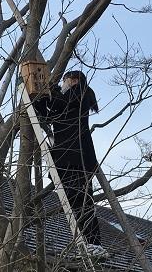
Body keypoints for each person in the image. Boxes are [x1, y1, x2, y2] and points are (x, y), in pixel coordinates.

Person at [35, 70, 108, 258]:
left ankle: (93, 243)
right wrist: (39, 100)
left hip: (76, 158)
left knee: (82, 201)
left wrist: (49, 88)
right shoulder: (71, 100)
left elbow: (59, 103)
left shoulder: (81, 92)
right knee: (77, 202)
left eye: (65, 81)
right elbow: (51, 115)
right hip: (71, 156)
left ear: (74, 80)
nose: (63, 84)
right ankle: (90, 243)